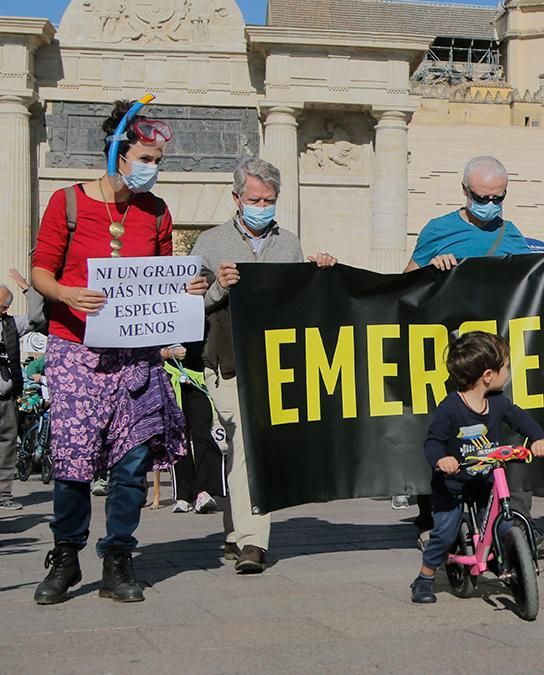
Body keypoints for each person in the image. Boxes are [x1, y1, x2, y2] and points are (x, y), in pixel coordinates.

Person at [30, 100, 207, 604]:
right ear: (117, 153)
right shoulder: (67, 203)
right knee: (73, 463)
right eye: (145, 157)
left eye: (159, 161)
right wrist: (65, 294)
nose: (152, 168)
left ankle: (119, 558)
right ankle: (65, 556)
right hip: (76, 352)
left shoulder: (156, 212)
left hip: (134, 356)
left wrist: (186, 289)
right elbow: (42, 269)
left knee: (131, 464)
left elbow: (162, 278)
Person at [404, 155, 544, 557]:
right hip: (455, 359)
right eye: (483, 197)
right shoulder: (438, 231)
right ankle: (438, 520)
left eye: (499, 197)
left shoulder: (511, 232)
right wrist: (432, 269)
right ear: (464, 192)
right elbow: (406, 288)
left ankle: (517, 522)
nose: (491, 205)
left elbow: (536, 278)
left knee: (509, 436)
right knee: (449, 434)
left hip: (499, 358)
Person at [191, 157, 338, 574]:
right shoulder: (209, 243)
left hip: (273, 364)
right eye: (255, 199)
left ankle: (251, 541)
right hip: (227, 361)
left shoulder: (288, 242)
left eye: (269, 200)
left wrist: (318, 274)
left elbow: (297, 302)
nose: (262, 205)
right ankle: (240, 533)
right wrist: (220, 285)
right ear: (237, 198)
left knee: (250, 449)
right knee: (240, 447)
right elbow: (189, 305)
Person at [410, 331, 544, 603]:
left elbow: (519, 418)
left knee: (503, 522)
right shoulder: (451, 407)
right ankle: (424, 578)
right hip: (452, 484)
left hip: (485, 480)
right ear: (488, 375)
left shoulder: (498, 403)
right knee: (445, 532)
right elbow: (433, 442)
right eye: (506, 367)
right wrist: (442, 459)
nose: (508, 372)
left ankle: (507, 560)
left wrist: (538, 438)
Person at [0, 282, 46, 511]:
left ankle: (3, 495)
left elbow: (38, 319)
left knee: (7, 448)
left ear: (4, 308)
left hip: (6, 398)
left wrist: (29, 290)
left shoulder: (11, 324)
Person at [162, 343, 223, 515]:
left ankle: (204, 491)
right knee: (178, 435)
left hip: (200, 374)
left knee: (203, 430)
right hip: (171, 373)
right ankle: (183, 494)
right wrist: (166, 353)